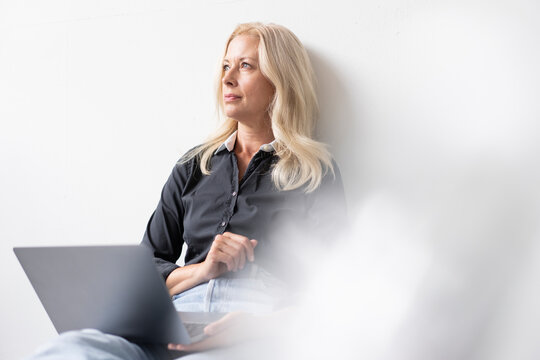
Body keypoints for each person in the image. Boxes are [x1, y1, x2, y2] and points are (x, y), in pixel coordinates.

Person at [25, 22, 347, 360]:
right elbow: (148, 267)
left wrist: (258, 325)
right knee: (70, 349)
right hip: (171, 324)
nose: (228, 78)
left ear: (280, 81)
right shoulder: (194, 165)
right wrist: (203, 270)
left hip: (249, 330)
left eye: (246, 66)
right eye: (226, 65)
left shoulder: (313, 172)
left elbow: (336, 289)